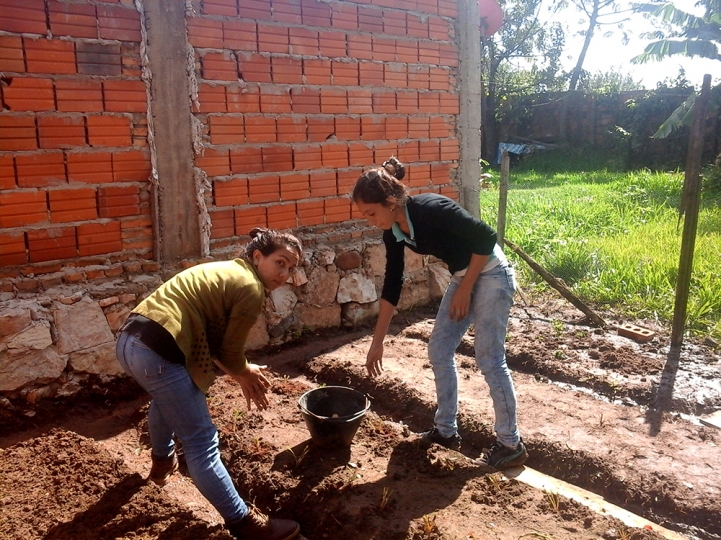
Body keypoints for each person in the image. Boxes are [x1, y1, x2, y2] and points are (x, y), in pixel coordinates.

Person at [115, 228, 302, 540]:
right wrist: (244, 374)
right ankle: (246, 525)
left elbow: (220, 349)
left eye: (291, 268)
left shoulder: (226, 270)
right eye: (279, 263)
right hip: (157, 352)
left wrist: (241, 369)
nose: (284, 274)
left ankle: (162, 463)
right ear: (257, 257)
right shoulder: (250, 289)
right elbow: (229, 353)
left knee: (165, 399)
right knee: (201, 441)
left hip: (130, 342)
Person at [351, 157, 528, 470]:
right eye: (364, 215)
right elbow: (392, 285)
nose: (369, 220)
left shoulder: (431, 208)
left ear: (391, 202)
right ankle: (446, 432)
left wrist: (465, 287)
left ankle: (510, 443)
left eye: (371, 213)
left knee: (488, 358)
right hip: (465, 275)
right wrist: (377, 342)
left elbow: (486, 238)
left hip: (492, 273)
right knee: (439, 348)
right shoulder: (393, 231)